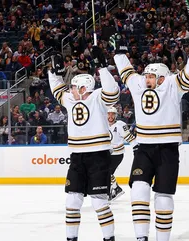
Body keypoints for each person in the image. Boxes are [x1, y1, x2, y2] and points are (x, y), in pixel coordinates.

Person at [111, 30, 189, 241]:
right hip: (144, 148)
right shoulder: (139, 84)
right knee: (138, 189)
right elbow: (127, 71)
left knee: (163, 196)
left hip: (168, 149)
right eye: (146, 75)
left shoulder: (173, 85)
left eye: (151, 76)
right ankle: (141, 237)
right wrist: (119, 52)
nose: (146, 79)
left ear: (162, 78)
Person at [48, 48, 120, 241]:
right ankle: (71, 239)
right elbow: (56, 90)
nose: (69, 89)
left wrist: (103, 69)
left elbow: (113, 92)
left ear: (82, 88)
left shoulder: (98, 98)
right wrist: (53, 72)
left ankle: (109, 238)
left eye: (73, 86)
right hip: (77, 157)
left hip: (98, 156)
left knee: (99, 203)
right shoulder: (71, 99)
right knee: (72, 201)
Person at [107, 106, 138, 201]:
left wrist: (136, 148)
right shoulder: (103, 124)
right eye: (109, 114)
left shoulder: (120, 125)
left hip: (117, 154)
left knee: (107, 172)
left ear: (116, 115)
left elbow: (129, 138)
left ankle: (115, 189)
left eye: (113, 114)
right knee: (105, 172)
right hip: (108, 154)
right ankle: (114, 189)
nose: (111, 116)